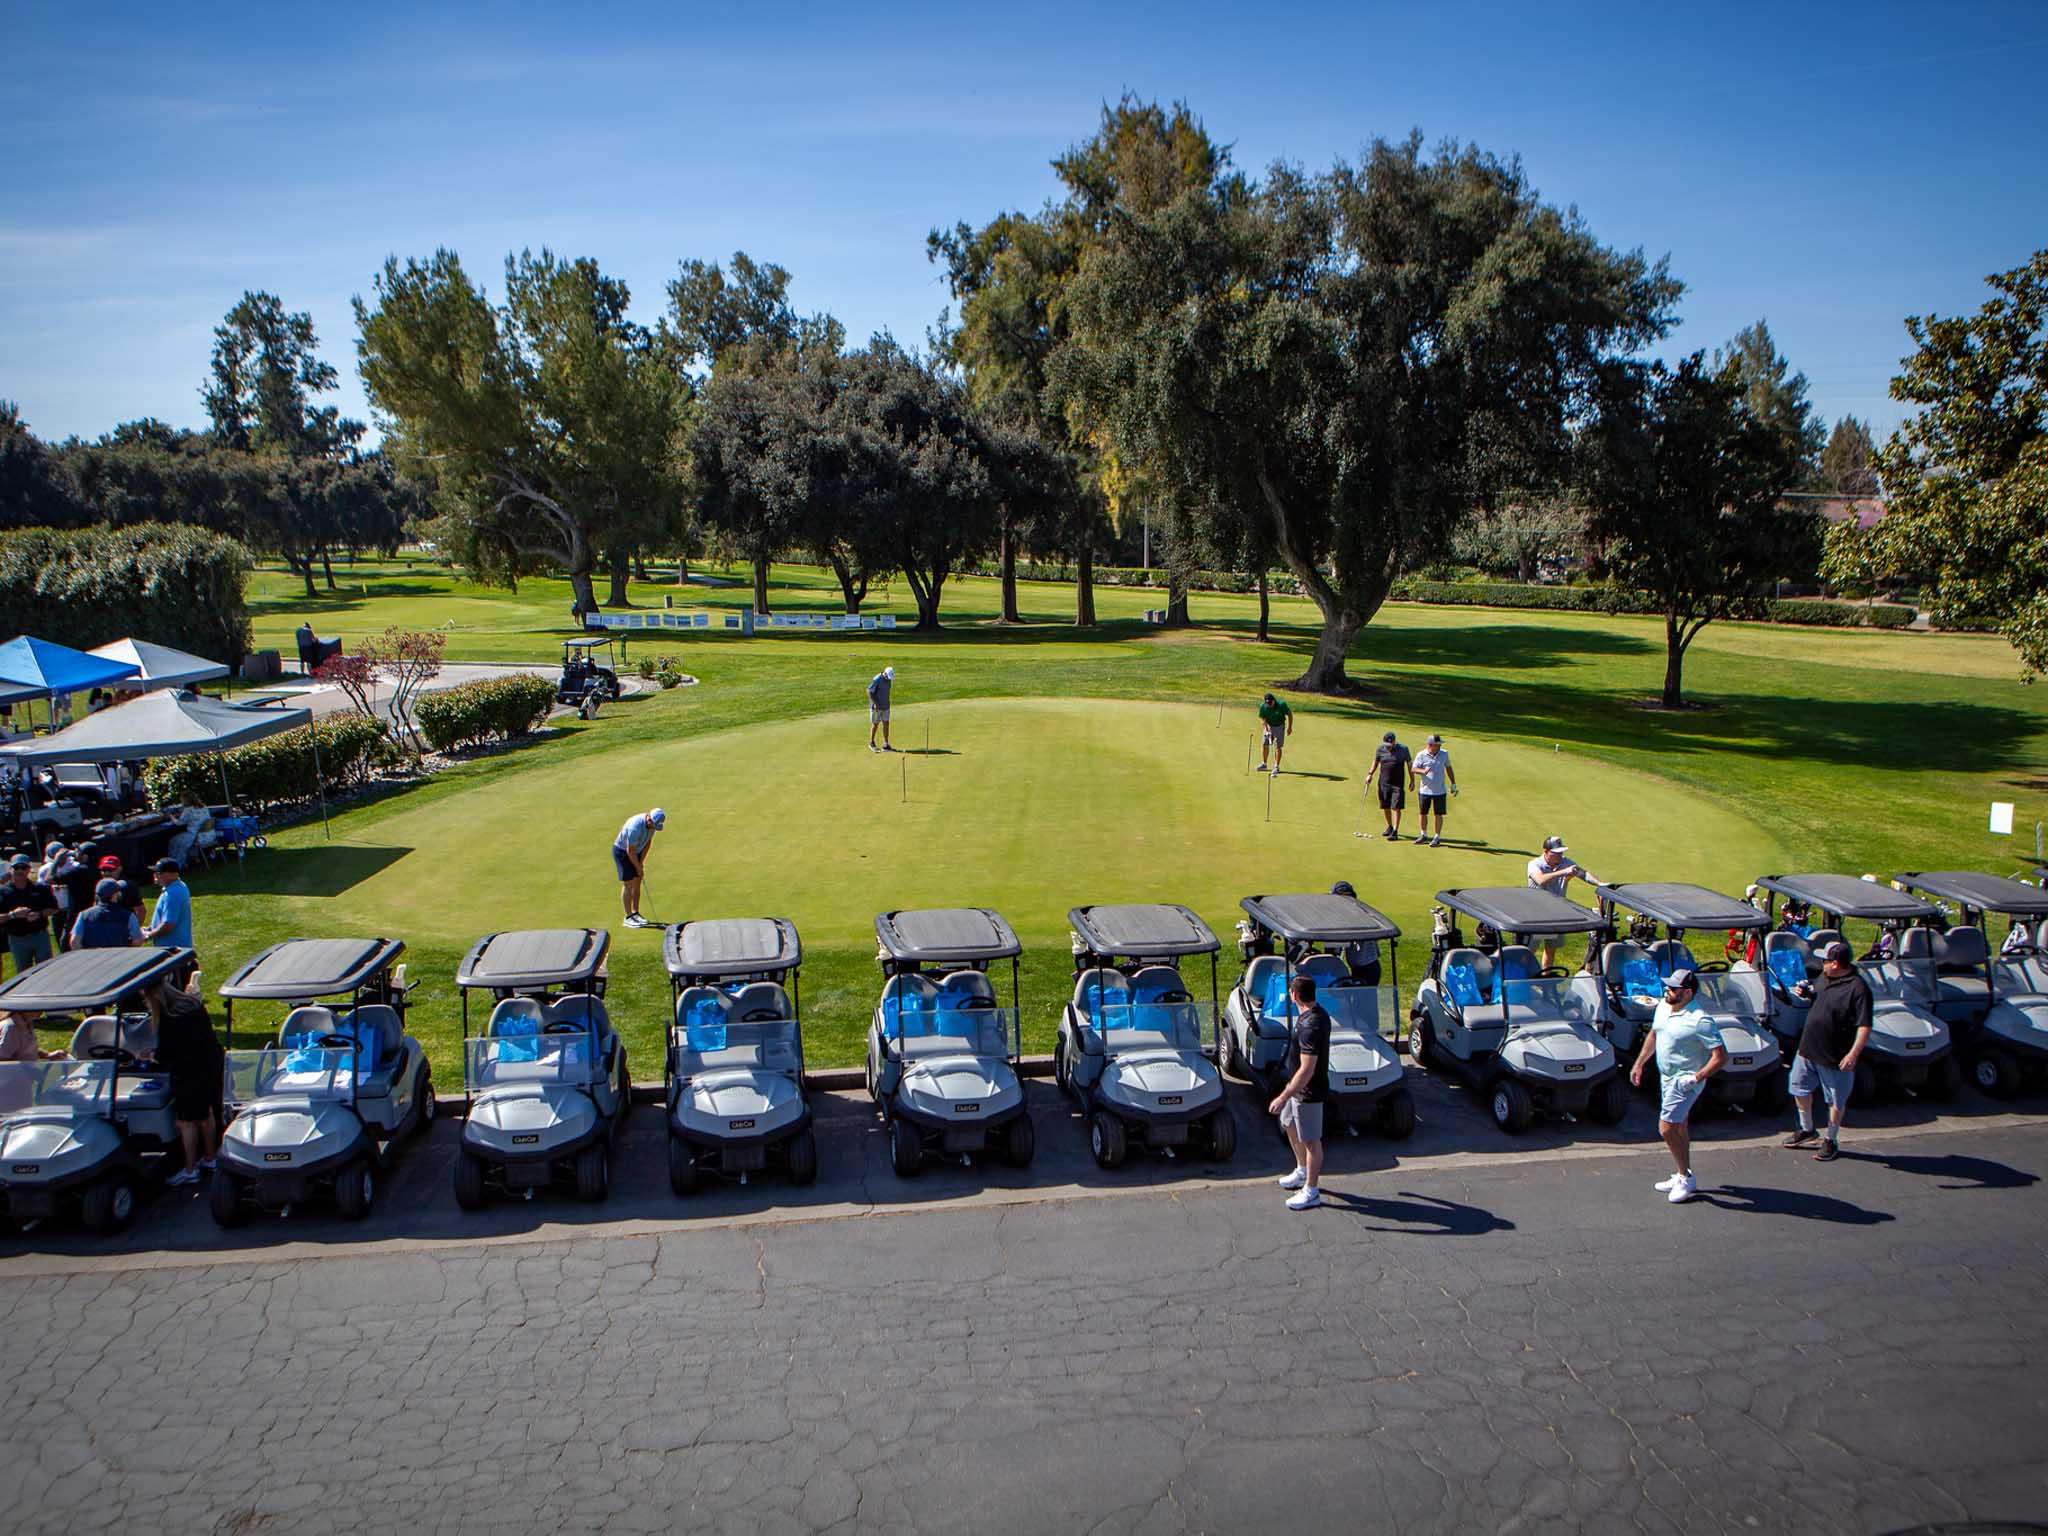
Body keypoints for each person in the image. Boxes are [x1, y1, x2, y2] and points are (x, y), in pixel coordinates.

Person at [1628, 968, 1728, 1205]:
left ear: (1688, 993)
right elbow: (1654, 1035)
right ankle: (1683, 1173)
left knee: (1667, 1128)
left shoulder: (1700, 1020)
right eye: (1668, 986)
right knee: (1679, 1125)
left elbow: (1721, 1056)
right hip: (1666, 1076)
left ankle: (1684, 1177)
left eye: (1673, 988)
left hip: (1684, 1081)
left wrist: (1697, 1077)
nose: (1667, 991)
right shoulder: (1663, 1007)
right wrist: (1640, 1063)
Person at [1783, 940, 1873, 1162]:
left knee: (1835, 1101)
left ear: (1835, 963)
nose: (1821, 962)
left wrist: (1853, 1054)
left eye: (1825, 959)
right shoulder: (1824, 978)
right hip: (1808, 1049)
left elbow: (1864, 1026)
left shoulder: (1858, 989)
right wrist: (1807, 993)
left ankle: (1831, 1140)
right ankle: (1807, 1129)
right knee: (1799, 1089)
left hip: (1835, 1056)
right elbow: (1820, 997)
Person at [142, 976, 222, 1186]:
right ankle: (211, 1157)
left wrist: (149, 1055)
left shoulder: (169, 1018)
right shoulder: (193, 1004)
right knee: (207, 1115)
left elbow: (167, 1053)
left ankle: (190, 1168)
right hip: (209, 1066)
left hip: (187, 1074)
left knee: (186, 1122)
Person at [1269, 973, 1329, 1211]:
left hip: (1308, 1093)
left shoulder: (1310, 1026)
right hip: (1297, 1091)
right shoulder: (1315, 1014)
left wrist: (1283, 1096)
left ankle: (1312, 1191)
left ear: (1294, 995)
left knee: (1312, 1142)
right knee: (1288, 1125)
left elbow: (1307, 1070)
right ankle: (1302, 1170)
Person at [1526, 836, 1596, 968]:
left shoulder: (1565, 862)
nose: (1560, 856)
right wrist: (1563, 872)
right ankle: (1525, 980)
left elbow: (1583, 874)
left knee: (1550, 949)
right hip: (1535, 915)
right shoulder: (1534, 864)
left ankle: (1546, 979)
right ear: (1546, 851)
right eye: (1556, 853)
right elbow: (1540, 880)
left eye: (1561, 852)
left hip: (1555, 914)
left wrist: (1601, 884)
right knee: (1529, 951)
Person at [1, 854, 58, 976]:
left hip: (40, 936)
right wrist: (13, 915)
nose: (20, 871)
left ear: (29, 869)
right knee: (23, 974)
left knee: (46, 972)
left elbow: (54, 908)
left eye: (23, 867)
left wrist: (40, 914)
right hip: (18, 939)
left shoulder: (40, 889)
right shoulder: (3, 892)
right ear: (11, 870)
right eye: (17, 868)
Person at [613, 806, 665, 929]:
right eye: (654, 825)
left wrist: (641, 862)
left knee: (637, 882)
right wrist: (637, 867)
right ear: (649, 819)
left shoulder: (653, 825)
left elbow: (648, 843)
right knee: (629, 883)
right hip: (622, 852)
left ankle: (635, 913)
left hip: (636, 851)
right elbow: (629, 850)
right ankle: (628, 917)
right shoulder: (635, 826)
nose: (654, 828)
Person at [144, 858, 195, 984]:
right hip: (176, 949)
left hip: (173, 952)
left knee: (174, 988)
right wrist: (151, 928)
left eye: (159, 872)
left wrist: (148, 936)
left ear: (172, 874)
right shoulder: (176, 888)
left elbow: (168, 925)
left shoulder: (173, 893)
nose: (155, 875)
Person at [1409, 732, 1458, 847]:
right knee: (1423, 813)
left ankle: (1437, 837)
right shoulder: (1421, 755)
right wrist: (1423, 771)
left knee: (1438, 814)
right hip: (1425, 790)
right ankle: (1423, 834)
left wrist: (1453, 784)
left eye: (1440, 744)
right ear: (1430, 745)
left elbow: (1448, 768)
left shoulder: (1444, 754)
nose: (1439, 746)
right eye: (1437, 744)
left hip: (1440, 790)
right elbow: (1413, 768)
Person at [69, 879, 141, 949]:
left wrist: (85, 957)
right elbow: (137, 941)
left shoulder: (84, 915)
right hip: (119, 958)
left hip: (93, 959)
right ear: (115, 895)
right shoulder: (129, 916)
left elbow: (74, 942)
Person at [1370, 731, 1411, 840]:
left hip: (1398, 784)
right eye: (1386, 745)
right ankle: (1390, 826)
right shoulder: (1380, 749)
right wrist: (1370, 774)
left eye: (1390, 745)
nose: (1388, 747)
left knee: (1396, 807)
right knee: (1385, 806)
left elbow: (1409, 764)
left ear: (1394, 742)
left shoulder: (1403, 749)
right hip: (1384, 782)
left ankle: (1395, 831)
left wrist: (1412, 780)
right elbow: (1375, 762)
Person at [167, 793, 215, 867]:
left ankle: (175, 865)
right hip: (209, 835)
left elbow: (179, 823)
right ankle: (184, 861)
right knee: (180, 840)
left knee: (173, 841)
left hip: (196, 837)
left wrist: (171, 817)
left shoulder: (188, 810)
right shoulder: (203, 806)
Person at [1255, 692, 1293, 774]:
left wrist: (1289, 727)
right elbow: (1262, 718)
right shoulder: (1263, 706)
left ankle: (1276, 766)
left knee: (1277, 746)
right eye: (1267, 703)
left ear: (1274, 700)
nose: (1269, 705)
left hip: (1279, 726)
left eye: (1270, 703)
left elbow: (1289, 715)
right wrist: (1266, 726)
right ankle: (1264, 764)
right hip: (1268, 726)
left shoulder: (1282, 705)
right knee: (1264, 744)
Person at [867, 666, 896, 753]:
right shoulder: (877, 679)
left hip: (885, 706)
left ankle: (885, 744)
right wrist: (875, 704)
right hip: (876, 707)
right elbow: (869, 691)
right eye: (888, 677)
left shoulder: (889, 679)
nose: (889, 679)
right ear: (885, 673)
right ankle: (871, 743)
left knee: (886, 723)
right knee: (875, 724)